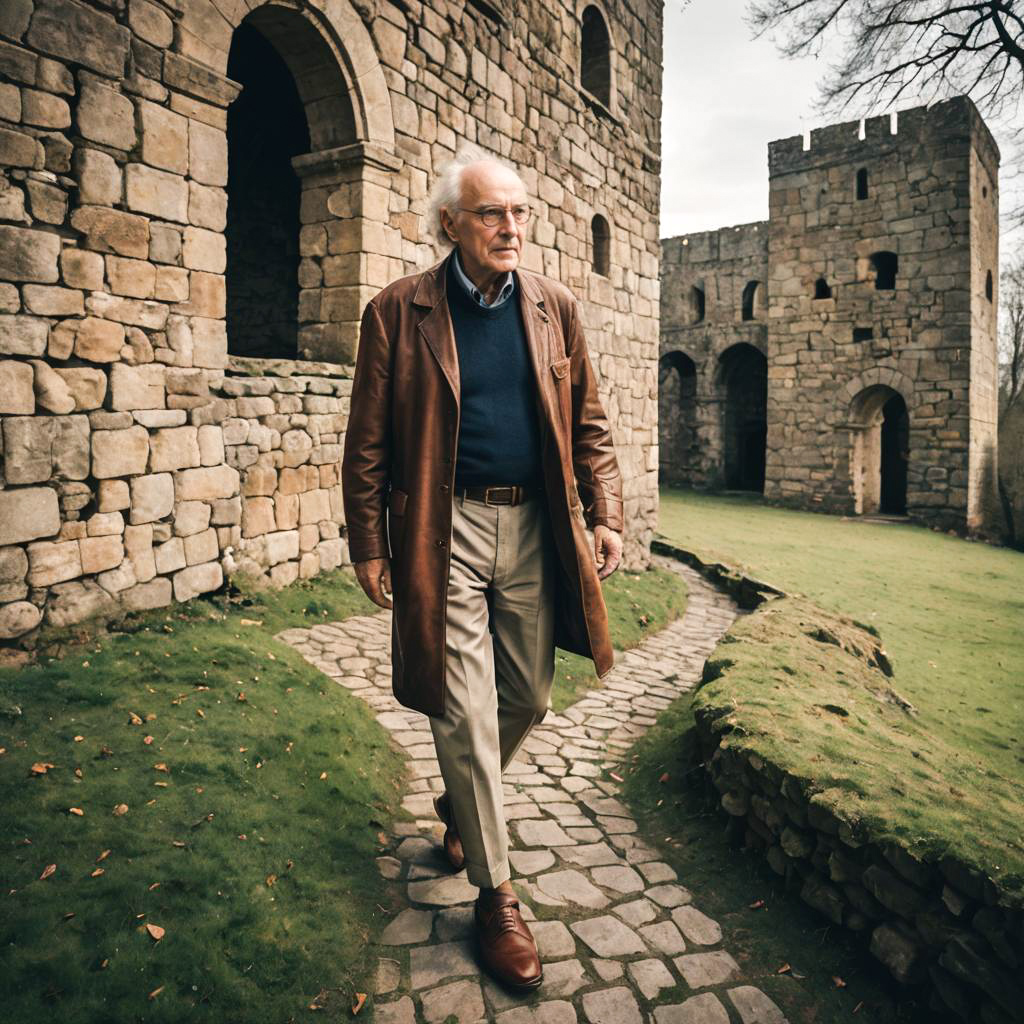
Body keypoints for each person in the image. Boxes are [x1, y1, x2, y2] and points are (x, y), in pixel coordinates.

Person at [341, 147, 623, 991]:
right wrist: (368, 541)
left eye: (521, 212)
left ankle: (464, 808)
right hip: (443, 526)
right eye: (493, 213)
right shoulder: (397, 311)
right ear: (451, 225)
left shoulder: (554, 307)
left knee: (529, 697)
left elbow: (590, 423)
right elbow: (368, 443)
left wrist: (606, 512)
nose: (512, 227)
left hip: (537, 524)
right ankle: (496, 893)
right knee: (463, 706)